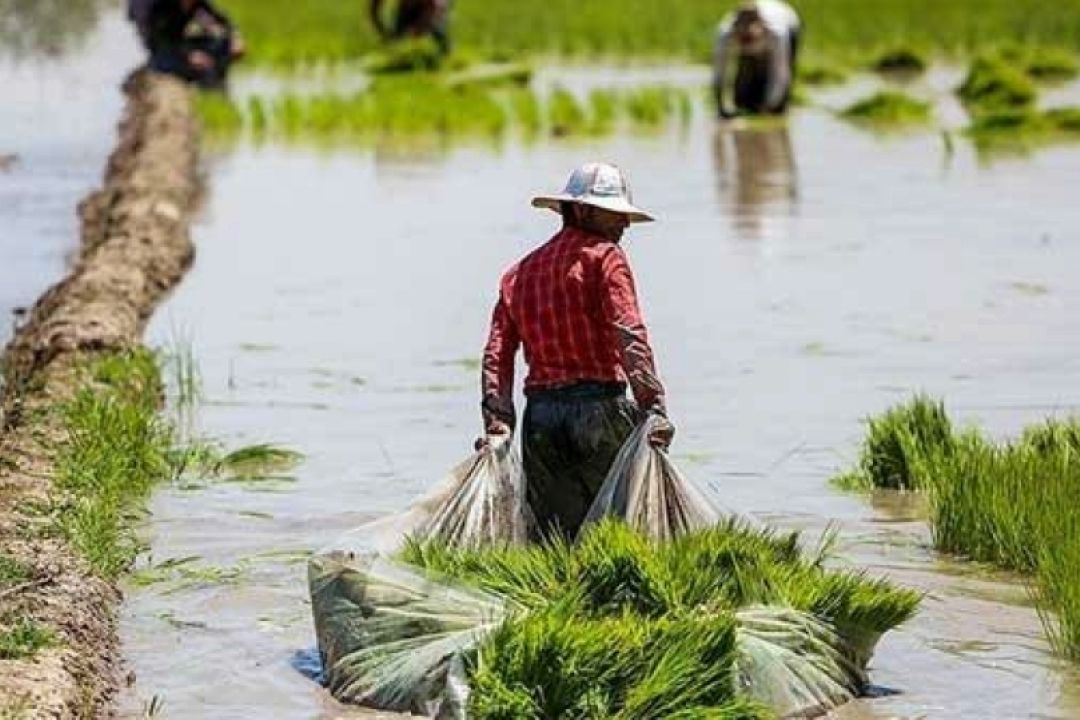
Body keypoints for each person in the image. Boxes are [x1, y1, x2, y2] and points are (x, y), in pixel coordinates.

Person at [480, 163, 675, 540]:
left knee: (554, 540)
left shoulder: (519, 273)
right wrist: (653, 406)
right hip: (599, 411)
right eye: (615, 213)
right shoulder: (605, 258)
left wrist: (498, 422)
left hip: (541, 421)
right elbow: (629, 334)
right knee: (618, 534)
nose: (625, 225)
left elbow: (496, 355)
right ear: (582, 211)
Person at [712, 0, 802, 118]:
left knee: (778, 104)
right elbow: (719, 72)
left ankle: (774, 106)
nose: (745, 44)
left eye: (749, 38)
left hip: (789, 23)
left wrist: (770, 107)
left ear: (760, 27)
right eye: (742, 38)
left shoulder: (778, 34)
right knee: (743, 97)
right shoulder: (724, 34)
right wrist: (720, 106)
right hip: (762, 34)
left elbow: (781, 74)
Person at [128, 0, 244, 89]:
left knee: (223, 44)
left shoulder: (197, 3)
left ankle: (218, 83)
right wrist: (188, 55)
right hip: (163, 50)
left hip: (180, 43)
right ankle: (210, 90)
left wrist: (234, 36)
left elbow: (218, 19)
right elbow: (158, 42)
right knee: (204, 68)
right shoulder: (158, 7)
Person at [369, 0, 453, 56]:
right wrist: (381, 29)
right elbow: (374, 9)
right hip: (409, 5)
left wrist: (420, 26)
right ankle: (400, 55)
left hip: (436, 5)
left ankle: (444, 51)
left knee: (435, 27)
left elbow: (434, 7)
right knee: (398, 34)